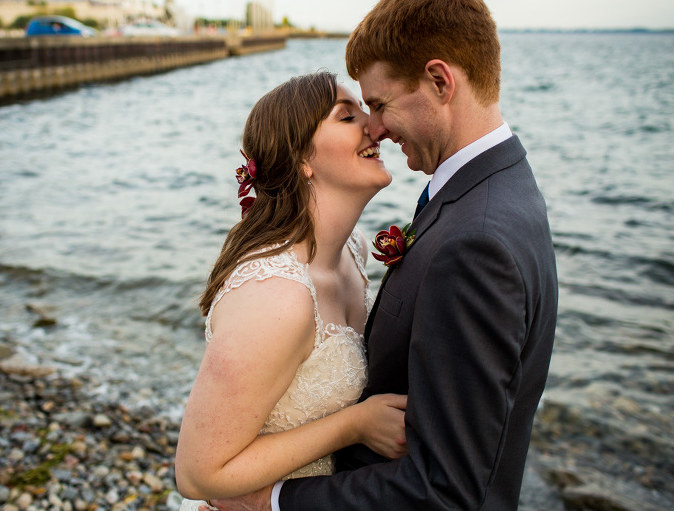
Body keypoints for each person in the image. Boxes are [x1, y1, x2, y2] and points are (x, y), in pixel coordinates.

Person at [207, 0, 559, 510]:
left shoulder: (475, 240)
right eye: (356, 112)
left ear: (440, 82)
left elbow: (445, 490)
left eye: (379, 104)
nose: (378, 128)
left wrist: (273, 501)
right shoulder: (503, 190)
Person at [173, 71, 409, 511]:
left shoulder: (352, 251)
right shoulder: (276, 295)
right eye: (347, 115)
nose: (375, 126)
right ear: (303, 157)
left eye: (367, 110)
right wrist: (353, 425)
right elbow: (196, 473)